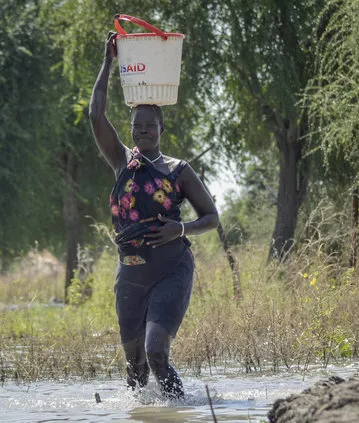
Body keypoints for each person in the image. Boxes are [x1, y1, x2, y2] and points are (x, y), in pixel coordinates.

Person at [89, 31, 219, 399]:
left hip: (170, 270)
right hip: (130, 274)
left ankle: (180, 410)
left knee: (156, 353)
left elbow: (211, 217)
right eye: (137, 126)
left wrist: (180, 228)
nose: (143, 130)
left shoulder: (179, 171)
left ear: (162, 129)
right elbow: (95, 113)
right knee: (134, 372)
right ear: (130, 131)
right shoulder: (121, 162)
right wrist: (107, 61)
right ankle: (144, 413)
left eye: (150, 125)